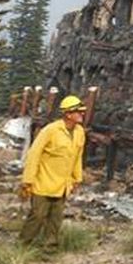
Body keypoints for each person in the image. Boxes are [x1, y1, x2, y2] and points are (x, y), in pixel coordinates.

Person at [19, 94, 86, 248]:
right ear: (68, 114)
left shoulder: (79, 132)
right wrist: (27, 181)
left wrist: (77, 178)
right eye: (78, 111)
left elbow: (77, 157)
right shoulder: (50, 130)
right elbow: (33, 155)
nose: (82, 113)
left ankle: (50, 247)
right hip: (43, 182)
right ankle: (23, 244)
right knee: (38, 215)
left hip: (62, 184)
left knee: (56, 218)